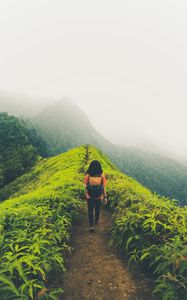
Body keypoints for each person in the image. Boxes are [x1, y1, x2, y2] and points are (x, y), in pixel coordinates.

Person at [84, 160, 107, 232]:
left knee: (90, 210)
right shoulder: (102, 175)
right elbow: (104, 186)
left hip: (90, 195)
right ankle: (96, 220)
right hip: (98, 195)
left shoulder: (88, 175)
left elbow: (85, 185)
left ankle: (91, 225)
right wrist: (105, 196)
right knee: (97, 209)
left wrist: (86, 194)